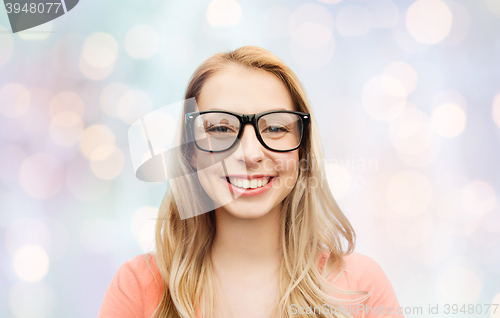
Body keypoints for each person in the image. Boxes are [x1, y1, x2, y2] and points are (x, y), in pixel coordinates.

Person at [98, 46, 405, 318]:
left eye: (274, 128)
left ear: (302, 150)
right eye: (220, 128)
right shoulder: (138, 287)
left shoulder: (360, 288)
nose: (250, 153)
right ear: (190, 151)